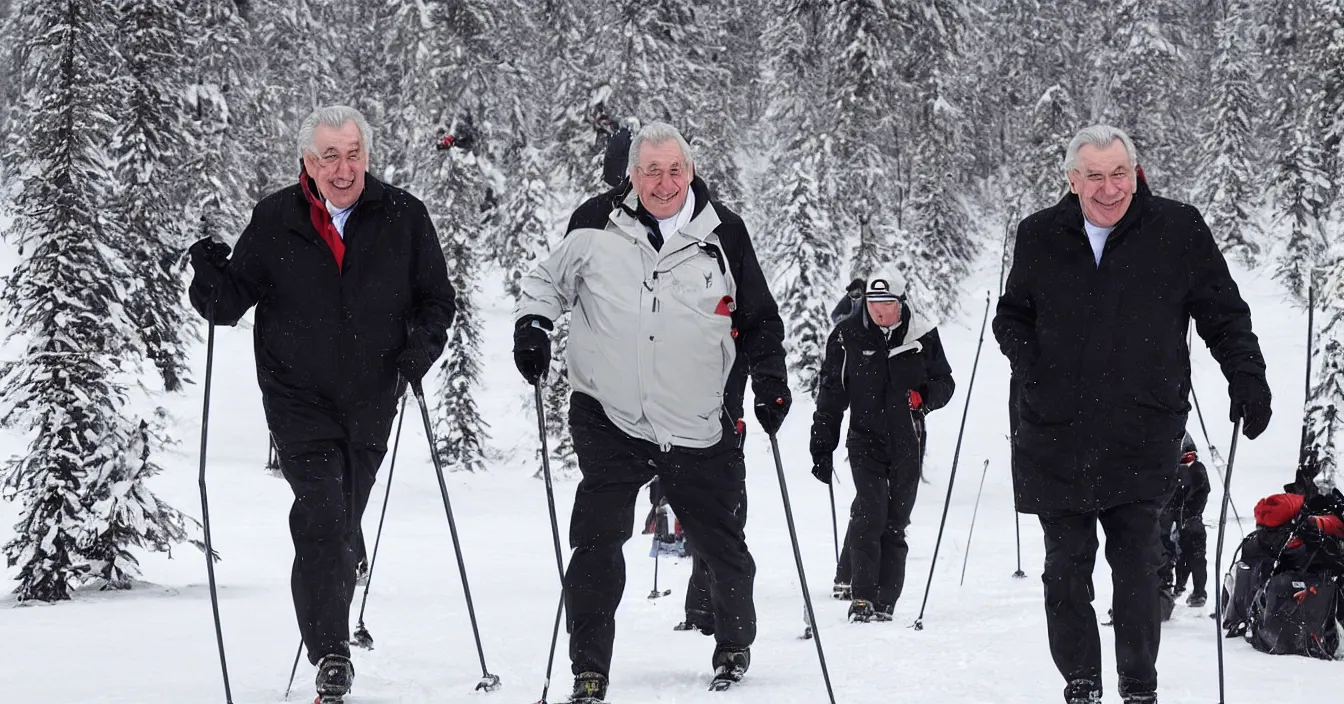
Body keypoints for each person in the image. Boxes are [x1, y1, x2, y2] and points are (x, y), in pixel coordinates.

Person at [993, 124, 1271, 704]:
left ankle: (1139, 687)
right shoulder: (1040, 235)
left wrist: (1247, 375)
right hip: (1055, 434)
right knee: (1065, 575)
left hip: (1142, 429)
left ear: (1135, 172)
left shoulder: (1176, 229)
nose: (1109, 187)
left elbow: (1222, 313)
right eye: (1093, 175)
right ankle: (1082, 685)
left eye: (1119, 172)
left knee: (1140, 568)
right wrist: (1037, 370)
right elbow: (1012, 316)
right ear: (1071, 180)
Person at [512, 121, 789, 702]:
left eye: (674, 170)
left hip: (696, 422)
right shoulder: (594, 222)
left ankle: (733, 646)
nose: (663, 183)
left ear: (690, 171)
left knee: (722, 545)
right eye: (650, 171)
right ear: (631, 175)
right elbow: (547, 281)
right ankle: (589, 667)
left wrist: (770, 382)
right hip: (611, 416)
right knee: (595, 543)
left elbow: (759, 319)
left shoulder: (724, 233)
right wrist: (534, 325)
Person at [186, 105, 456, 702]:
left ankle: (333, 592)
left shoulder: (403, 217)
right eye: (329, 155)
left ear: (366, 155)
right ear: (308, 161)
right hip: (296, 400)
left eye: (352, 154)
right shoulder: (276, 218)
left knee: (342, 522)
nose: (342, 168)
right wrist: (207, 274)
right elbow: (229, 303)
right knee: (322, 515)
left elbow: (437, 300)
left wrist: (420, 352)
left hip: (370, 399)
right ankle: (331, 652)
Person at [810, 268, 956, 622]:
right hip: (864, 439)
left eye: (887, 303)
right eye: (873, 303)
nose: (879, 311)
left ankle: (885, 602)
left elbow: (945, 383)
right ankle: (862, 597)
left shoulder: (922, 335)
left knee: (895, 523)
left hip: (908, 439)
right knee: (868, 514)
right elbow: (831, 395)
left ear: (901, 303)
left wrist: (924, 399)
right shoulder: (848, 336)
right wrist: (821, 446)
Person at [1160, 433, 1210, 607]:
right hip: (1180, 521)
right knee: (1183, 555)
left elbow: (1198, 493)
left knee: (1191, 556)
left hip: (1188, 521)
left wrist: (1187, 514)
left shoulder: (1194, 469)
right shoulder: (1183, 470)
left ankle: (1193, 592)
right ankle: (1179, 588)